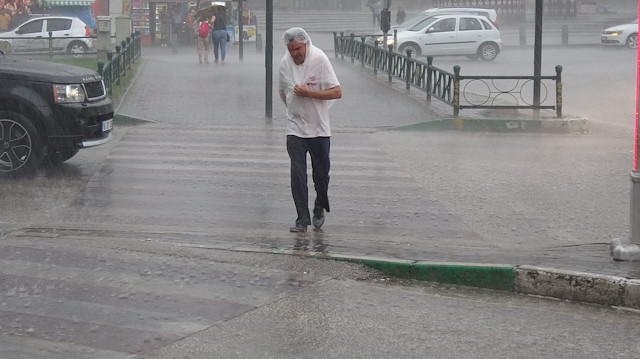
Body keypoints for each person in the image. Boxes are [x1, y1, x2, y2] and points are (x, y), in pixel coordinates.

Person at [278, 27, 342, 233]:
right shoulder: (284, 63)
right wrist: (294, 110)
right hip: (295, 127)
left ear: (306, 44)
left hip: (319, 128)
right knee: (297, 174)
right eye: (291, 49)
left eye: (298, 48)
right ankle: (301, 219)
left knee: (321, 175)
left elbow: (337, 92)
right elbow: (283, 92)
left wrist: (308, 93)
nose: (295, 53)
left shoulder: (319, 59)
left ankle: (319, 206)